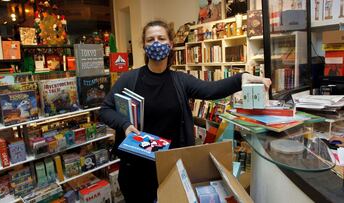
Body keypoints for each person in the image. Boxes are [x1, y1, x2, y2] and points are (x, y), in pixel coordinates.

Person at [100, 20, 271, 203]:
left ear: (171, 44)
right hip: (137, 170)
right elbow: (105, 110)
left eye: (161, 38)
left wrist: (242, 77)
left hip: (172, 168)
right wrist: (125, 125)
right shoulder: (129, 79)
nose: (156, 43)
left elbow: (211, 90)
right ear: (144, 45)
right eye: (150, 39)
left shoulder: (180, 80)